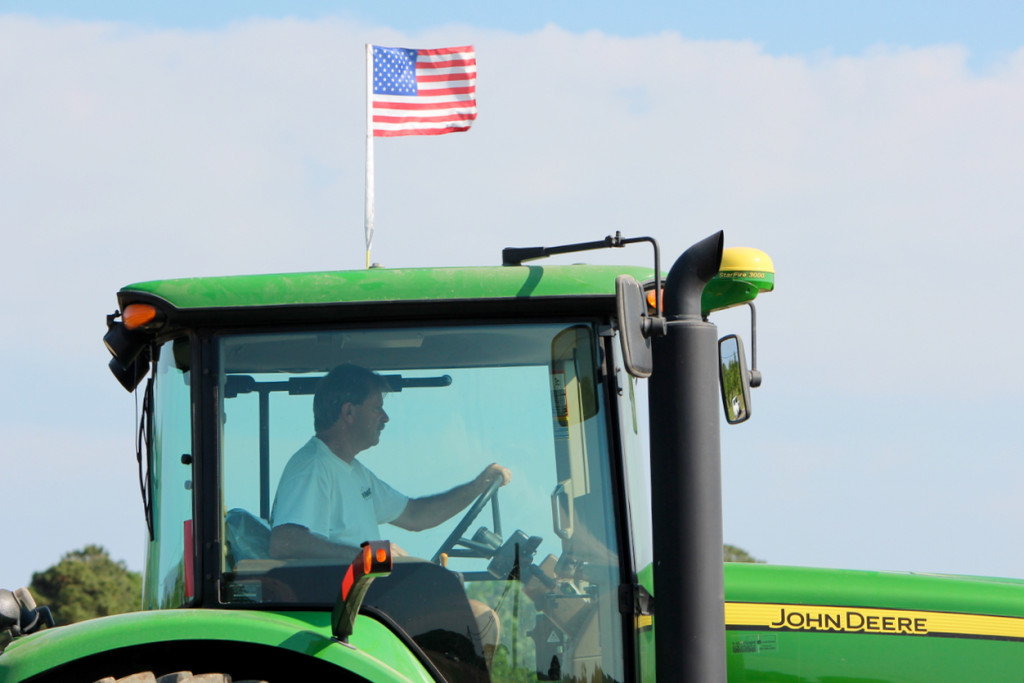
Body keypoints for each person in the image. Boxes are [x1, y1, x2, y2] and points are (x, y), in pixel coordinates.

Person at [269, 363, 511, 560]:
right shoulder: (313, 465)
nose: (386, 418)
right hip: (337, 607)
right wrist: (372, 555)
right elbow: (285, 542)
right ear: (349, 412)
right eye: (377, 408)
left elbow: (415, 515)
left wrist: (478, 486)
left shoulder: (355, 473)